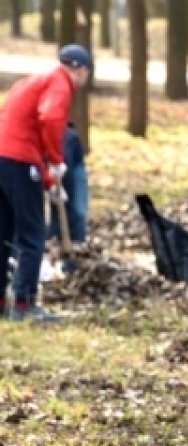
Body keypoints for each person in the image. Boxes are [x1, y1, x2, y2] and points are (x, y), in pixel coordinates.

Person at [0, 44, 90, 321]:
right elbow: (50, 118)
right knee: (32, 234)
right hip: (20, 160)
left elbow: (26, 127)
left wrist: (50, 181)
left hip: (3, 157)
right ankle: (24, 304)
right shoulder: (60, 84)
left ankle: (2, 299)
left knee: (4, 231)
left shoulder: (33, 81)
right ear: (82, 70)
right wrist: (56, 157)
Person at [46, 121, 89, 271]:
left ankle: (73, 263)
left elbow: (67, 180)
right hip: (36, 162)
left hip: (68, 163)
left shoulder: (67, 140)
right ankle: (51, 260)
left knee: (76, 212)